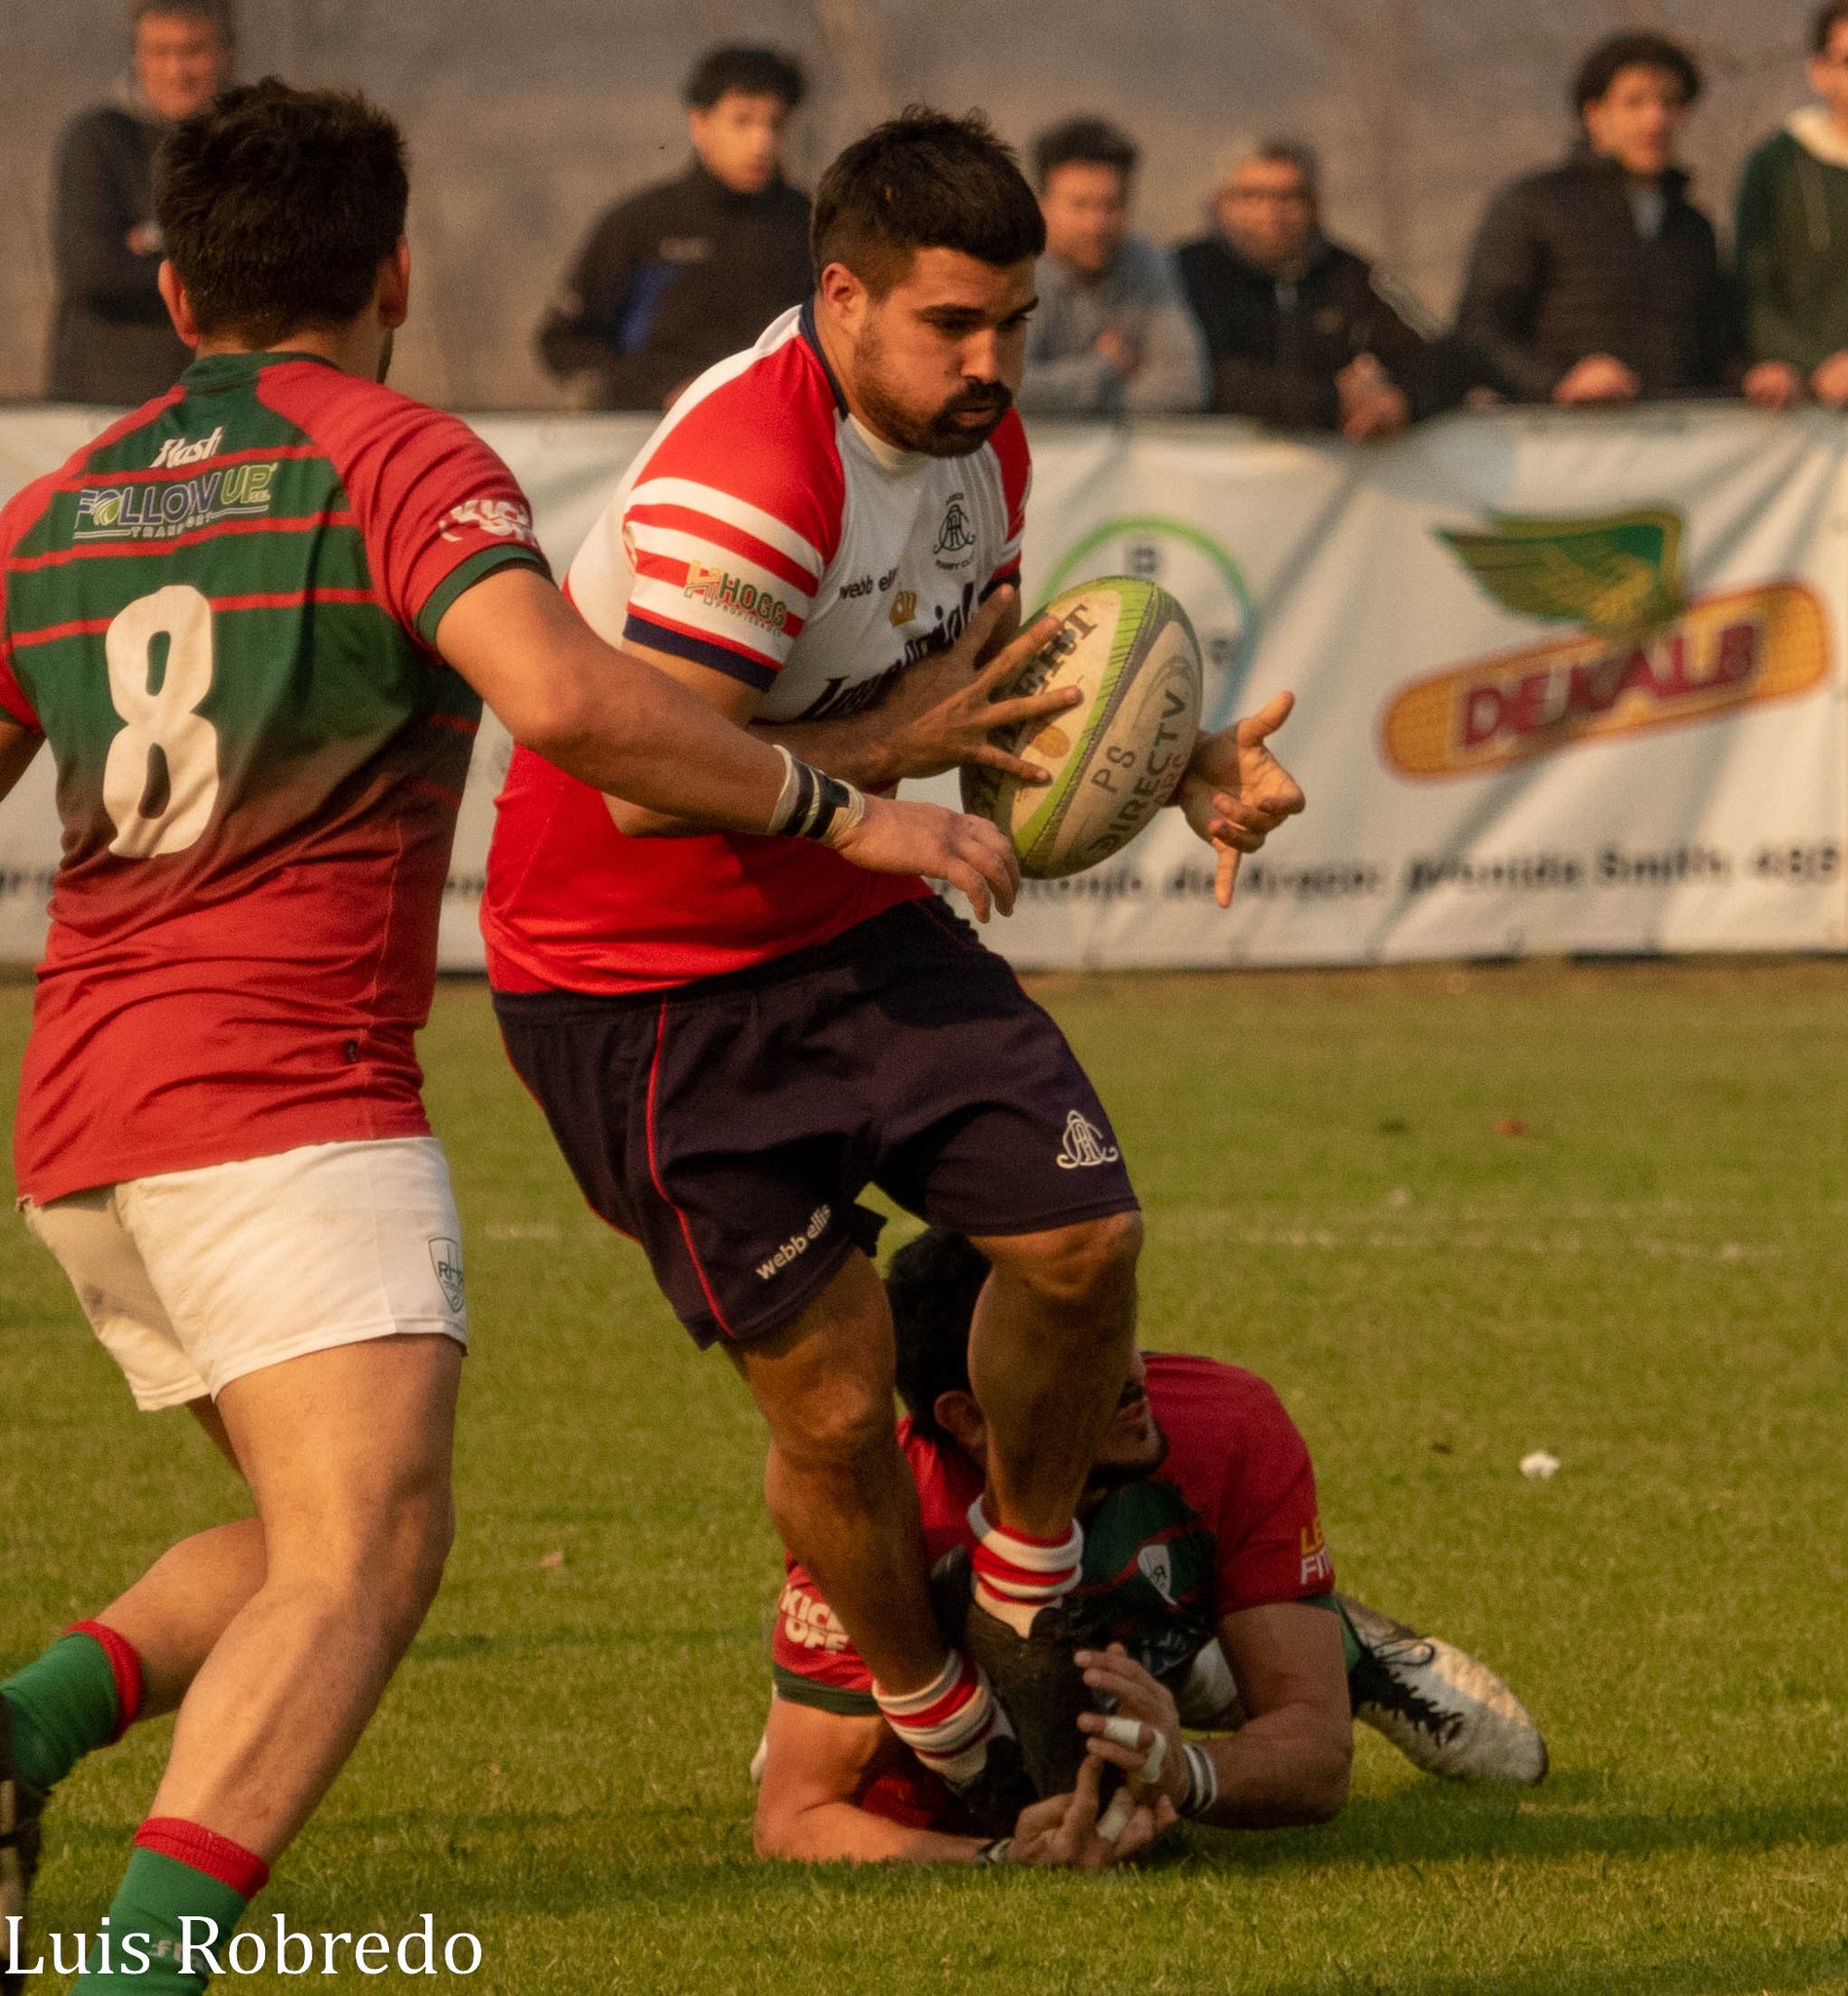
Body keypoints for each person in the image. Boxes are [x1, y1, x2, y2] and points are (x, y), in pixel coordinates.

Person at [0, 81, 1015, 1996]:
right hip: (280, 1103)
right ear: (395, 267)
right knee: (366, 1563)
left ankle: (28, 1725)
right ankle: (139, 1975)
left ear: (167, 286)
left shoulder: (56, 507)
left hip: (83, 1125)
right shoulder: (397, 457)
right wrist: (840, 806)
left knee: (313, 1531)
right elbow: (571, 699)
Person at [482, 109, 1305, 1834]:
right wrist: (874, 785)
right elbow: (646, 779)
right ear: (841, 295)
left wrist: (1185, 756)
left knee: (1083, 1239)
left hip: (843, 918)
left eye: (1009, 319)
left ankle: (1021, 1582)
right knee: (845, 1397)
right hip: (643, 980)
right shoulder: (751, 474)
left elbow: (983, 687)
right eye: (951, 323)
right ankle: (931, 1720)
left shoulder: (972, 444)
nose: (993, 360)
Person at [755, 1229, 1548, 1865]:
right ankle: (1207, 1661)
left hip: (1134, 1629)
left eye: (1120, 1336)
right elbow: (793, 1817)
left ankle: (1301, 1651)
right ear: (968, 1417)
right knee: (823, 1750)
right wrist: (997, 1855)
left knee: (1164, 1664)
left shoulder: (1221, 1423)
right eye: (1082, 1368)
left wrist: (1186, 1772)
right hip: (964, 1696)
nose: (1132, 1375)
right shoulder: (879, 1519)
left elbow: (1314, 1759)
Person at [1456, 33, 1753, 407]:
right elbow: (1478, 335)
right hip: (1558, 447)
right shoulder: (1530, 206)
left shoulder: (1694, 230)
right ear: (1594, 114)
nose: (1656, 119)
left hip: (1680, 451)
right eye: (1635, 102)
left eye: (1671, 102)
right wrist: (1560, 382)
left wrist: (1753, 378)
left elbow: (1717, 351)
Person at [536, 44, 814, 410]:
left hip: (784, 434)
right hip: (653, 437)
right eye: (742, 120)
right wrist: (662, 392)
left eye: (775, 124)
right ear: (699, 123)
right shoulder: (641, 224)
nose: (762, 142)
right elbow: (563, 343)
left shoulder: (812, 224)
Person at [1174, 139, 1438, 438]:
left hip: (1339, 472)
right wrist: (1330, 404)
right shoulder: (1181, 274)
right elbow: (1199, 375)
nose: (1271, 211)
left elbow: (1440, 357)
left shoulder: (1354, 275)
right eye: (1252, 196)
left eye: (1288, 197)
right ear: (1219, 202)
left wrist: (1398, 402)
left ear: (1315, 205)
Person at [47, 0, 233, 403]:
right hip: (105, 402)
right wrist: (220, 266)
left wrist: (149, 242)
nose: (176, 71)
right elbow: (93, 269)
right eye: (160, 52)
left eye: (192, 52)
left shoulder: (251, 145)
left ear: (226, 51)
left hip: (219, 400)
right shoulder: (97, 139)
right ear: (137, 56)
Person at [1017, 116, 1208, 415]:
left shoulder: (1147, 260)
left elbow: (1186, 386)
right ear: (1042, 205)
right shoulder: (1017, 269)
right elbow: (1013, 390)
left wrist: (1074, 401)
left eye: (1112, 205)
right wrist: (1104, 368)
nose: (1097, 224)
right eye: (1080, 205)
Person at [1736, 1, 1848, 410]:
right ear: (1819, 71)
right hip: (1805, 416)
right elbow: (1752, 294)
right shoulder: (1775, 165)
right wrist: (1814, 366)